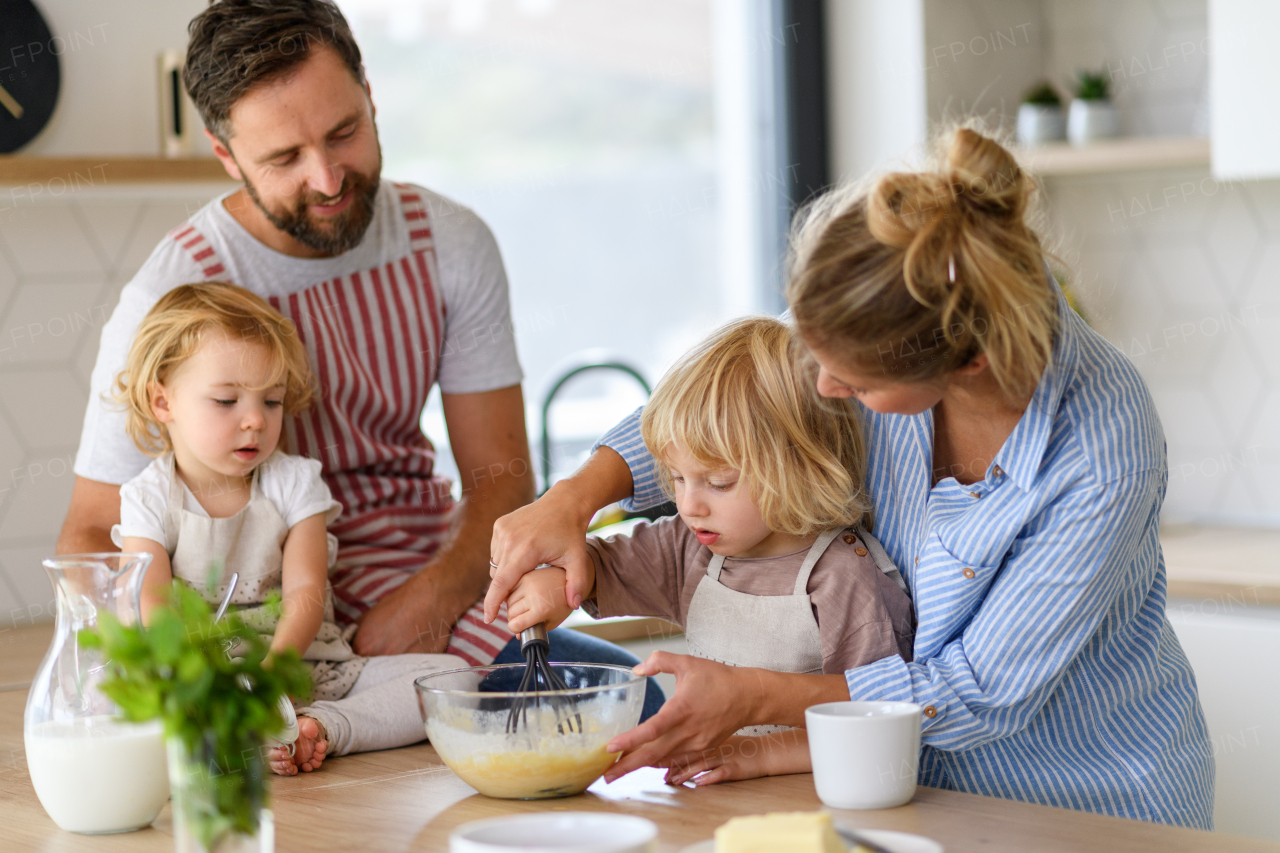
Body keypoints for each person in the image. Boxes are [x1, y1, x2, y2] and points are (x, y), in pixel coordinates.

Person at [486, 128, 1215, 828]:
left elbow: (976, 692)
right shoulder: (871, 314)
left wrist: (754, 701)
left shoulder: (1100, 449)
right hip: (895, 787)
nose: (822, 384)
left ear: (967, 364)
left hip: (1076, 805)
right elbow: (743, 404)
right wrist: (572, 498)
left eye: (857, 384)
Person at [57, 0, 662, 717]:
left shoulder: (449, 244)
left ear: (370, 95)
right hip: (245, 627)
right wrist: (183, 658)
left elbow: (501, 483)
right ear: (227, 157)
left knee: (634, 699)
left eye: (344, 131)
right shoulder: (177, 288)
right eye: (283, 158)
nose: (327, 178)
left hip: (424, 580)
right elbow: (90, 534)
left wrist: (434, 597)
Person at [506, 317, 914, 785]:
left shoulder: (844, 577)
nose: (688, 504)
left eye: (718, 483)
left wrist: (758, 754)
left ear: (800, 466)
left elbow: (876, 720)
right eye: (678, 478)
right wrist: (555, 584)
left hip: (813, 803)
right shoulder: (689, 546)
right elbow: (597, 568)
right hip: (714, 798)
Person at [115, 282, 468, 775]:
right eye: (225, 401)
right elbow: (146, 602)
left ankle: (323, 727)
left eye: (272, 401)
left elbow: (306, 589)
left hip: (303, 670)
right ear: (163, 402)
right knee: (105, 697)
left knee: (453, 677)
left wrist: (271, 674)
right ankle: (241, 732)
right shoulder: (150, 498)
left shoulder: (295, 482)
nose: (255, 420)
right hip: (201, 676)